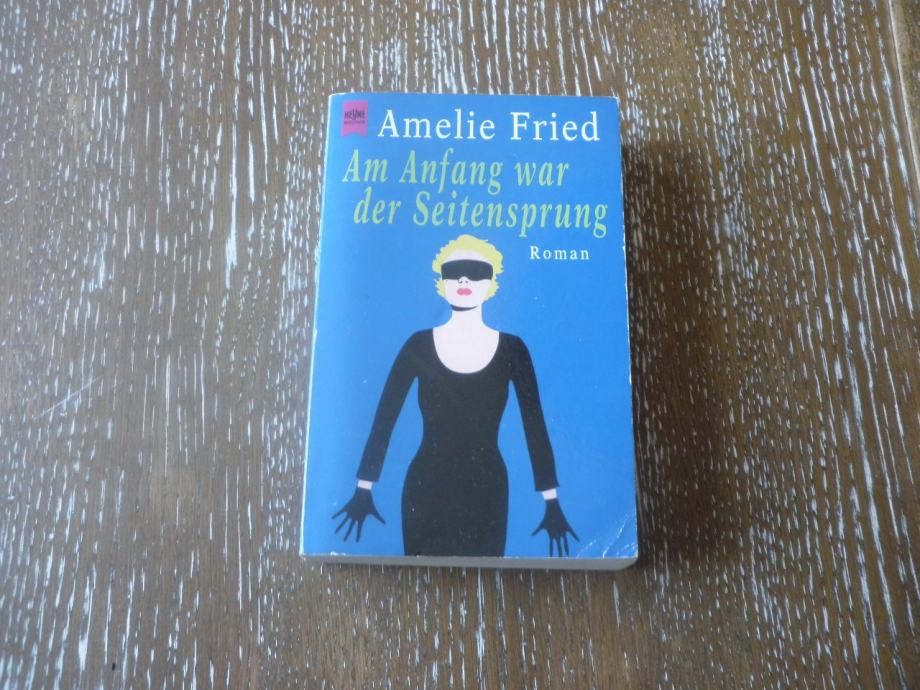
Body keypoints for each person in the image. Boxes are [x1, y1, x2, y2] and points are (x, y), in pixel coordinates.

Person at [332, 234, 578, 557]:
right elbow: (385, 417)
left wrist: (551, 502)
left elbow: (534, 425)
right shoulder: (418, 345)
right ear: (442, 282)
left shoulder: (513, 349)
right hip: (426, 487)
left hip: (487, 489)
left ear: (490, 284)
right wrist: (364, 488)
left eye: (476, 272)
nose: (463, 279)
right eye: (453, 272)